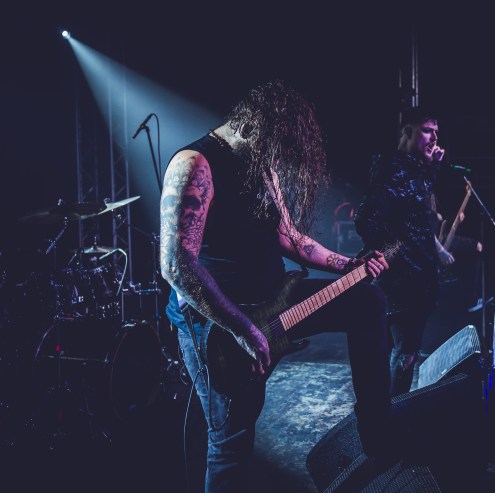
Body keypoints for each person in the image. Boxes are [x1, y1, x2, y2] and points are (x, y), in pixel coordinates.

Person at [160, 80, 393, 492]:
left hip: (274, 300)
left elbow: (290, 237)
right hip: (220, 325)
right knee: (231, 440)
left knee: (365, 300)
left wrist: (349, 264)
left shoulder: (258, 163)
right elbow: (176, 265)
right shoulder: (195, 164)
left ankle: (378, 439)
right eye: (277, 148)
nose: (279, 160)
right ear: (252, 127)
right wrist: (241, 328)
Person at [354, 107, 453, 396]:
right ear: (408, 132)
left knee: (398, 352)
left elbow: (415, 210)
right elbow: (366, 219)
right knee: (403, 355)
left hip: (414, 280)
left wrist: (432, 167)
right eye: (428, 130)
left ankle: (386, 410)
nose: (435, 138)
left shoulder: (413, 169)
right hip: (404, 282)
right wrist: (394, 251)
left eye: (437, 132)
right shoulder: (394, 169)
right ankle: (392, 414)